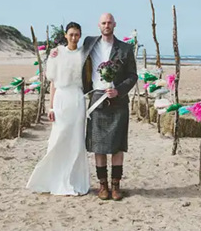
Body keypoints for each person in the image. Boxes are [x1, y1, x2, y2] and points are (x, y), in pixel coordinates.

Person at [26, 22, 90, 195]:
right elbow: (53, 82)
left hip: (77, 98)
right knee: (58, 138)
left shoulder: (84, 53)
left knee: (76, 141)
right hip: (61, 98)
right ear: (66, 34)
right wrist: (51, 106)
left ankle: (73, 179)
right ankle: (51, 179)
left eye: (77, 34)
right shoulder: (57, 53)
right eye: (71, 34)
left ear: (80, 35)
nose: (74, 37)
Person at [83, 13, 137, 201]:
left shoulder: (126, 48)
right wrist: (57, 52)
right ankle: (102, 186)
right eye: (103, 23)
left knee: (117, 146)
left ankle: (116, 186)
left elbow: (132, 76)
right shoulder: (89, 43)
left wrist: (120, 90)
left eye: (109, 22)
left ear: (115, 24)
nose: (107, 25)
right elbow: (71, 51)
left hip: (118, 101)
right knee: (98, 146)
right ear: (99, 25)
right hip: (98, 99)